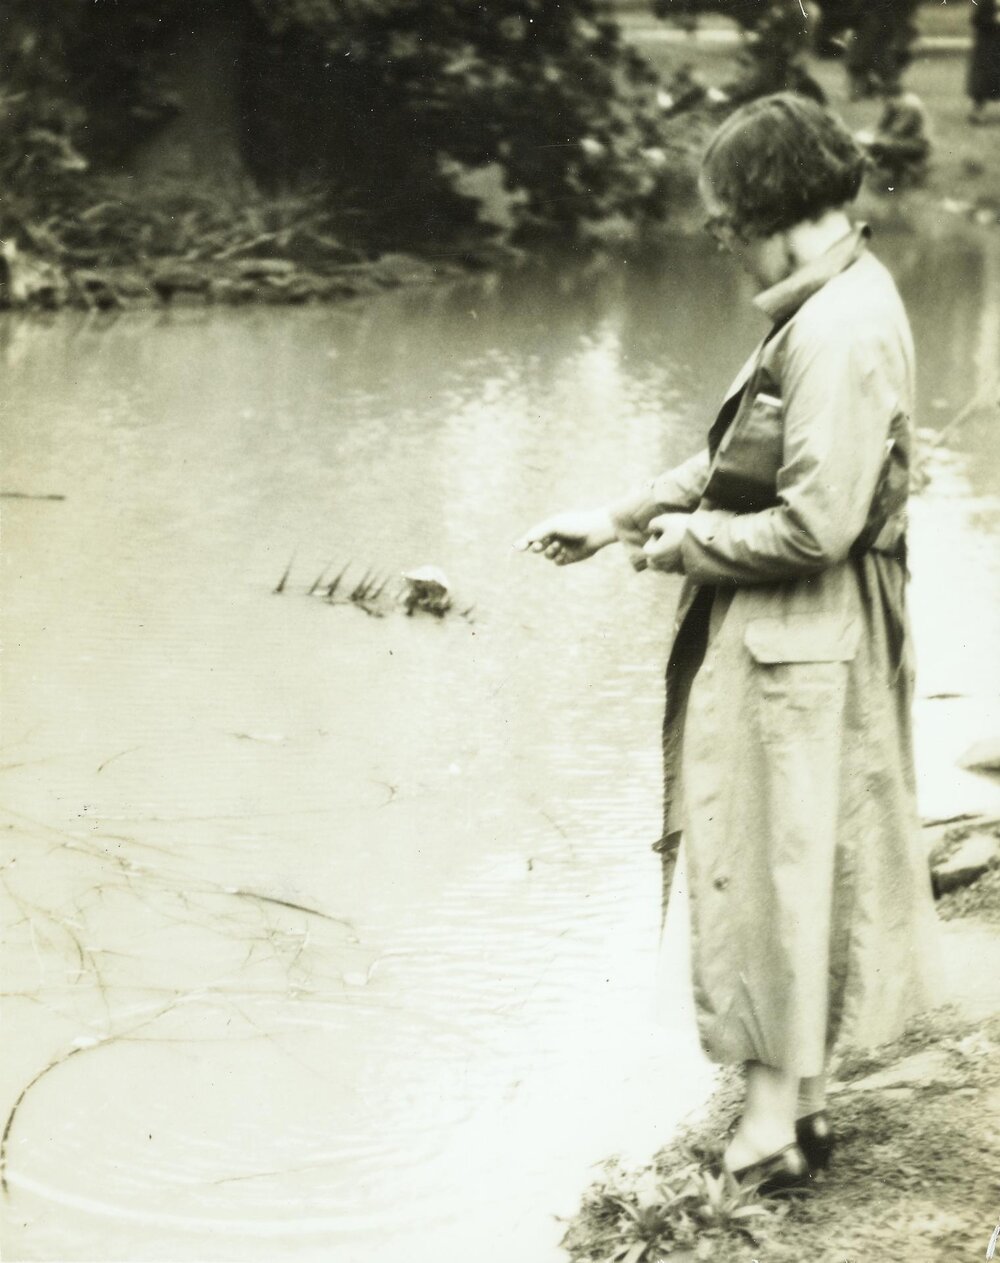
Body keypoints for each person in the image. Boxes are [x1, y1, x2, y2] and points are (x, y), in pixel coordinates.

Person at [515, 93, 938, 1195]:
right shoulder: (823, 303)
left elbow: (815, 522)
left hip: (801, 635)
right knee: (794, 856)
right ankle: (793, 1106)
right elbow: (744, 458)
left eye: (719, 215)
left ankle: (763, 1134)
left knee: (762, 866)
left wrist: (680, 548)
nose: (716, 237)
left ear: (765, 205)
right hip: (802, 635)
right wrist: (616, 517)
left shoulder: (837, 328)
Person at [860, 84, 931, 187]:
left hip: (918, 143)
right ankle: (896, 172)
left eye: (885, 98)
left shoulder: (909, 105)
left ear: (892, 96)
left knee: (882, 146)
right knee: (874, 145)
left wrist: (875, 138)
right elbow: (882, 125)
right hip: (904, 139)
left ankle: (909, 170)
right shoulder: (895, 104)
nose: (883, 101)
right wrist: (868, 132)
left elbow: (897, 131)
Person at [969, 0, 1000, 124]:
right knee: (983, 78)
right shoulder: (985, 2)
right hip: (988, 44)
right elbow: (976, 20)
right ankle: (977, 111)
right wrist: (994, 20)